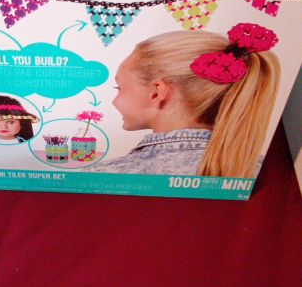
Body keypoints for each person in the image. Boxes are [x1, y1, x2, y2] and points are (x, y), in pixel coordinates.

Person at [91, 22, 279, 178]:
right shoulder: (266, 176)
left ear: (156, 92)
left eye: (119, 88)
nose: (114, 101)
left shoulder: (104, 178)